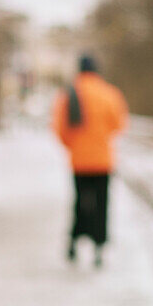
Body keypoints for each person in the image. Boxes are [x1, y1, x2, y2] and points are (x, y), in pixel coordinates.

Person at [51, 54, 128, 267]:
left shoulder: (68, 94)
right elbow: (119, 124)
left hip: (79, 161)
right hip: (103, 161)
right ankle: (99, 247)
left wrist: (73, 146)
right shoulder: (109, 93)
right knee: (101, 204)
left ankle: (74, 242)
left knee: (80, 202)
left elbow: (59, 128)